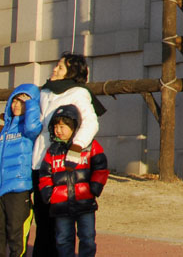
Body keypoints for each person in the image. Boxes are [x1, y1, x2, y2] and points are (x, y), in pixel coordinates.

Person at [32, 53, 104, 257]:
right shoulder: (45, 91)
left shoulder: (78, 93)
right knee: (42, 220)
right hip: (39, 162)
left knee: (60, 225)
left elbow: (91, 123)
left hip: (61, 165)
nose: (54, 70)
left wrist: (76, 147)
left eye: (60, 67)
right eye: (56, 66)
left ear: (71, 73)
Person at [37, 105, 107, 257]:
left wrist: (94, 188)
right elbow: (44, 175)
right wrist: (49, 194)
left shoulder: (89, 146)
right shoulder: (52, 151)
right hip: (60, 205)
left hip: (85, 202)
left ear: (74, 126)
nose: (58, 130)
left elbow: (101, 167)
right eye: (56, 126)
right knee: (63, 239)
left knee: (87, 238)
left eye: (63, 126)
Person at [0, 84, 41, 257]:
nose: (17, 105)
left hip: (18, 188)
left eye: (22, 102)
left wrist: (31, 103)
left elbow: (32, 127)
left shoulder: (29, 128)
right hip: (1, 188)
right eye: (14, 101)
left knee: (16, 236)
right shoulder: (5, 129)